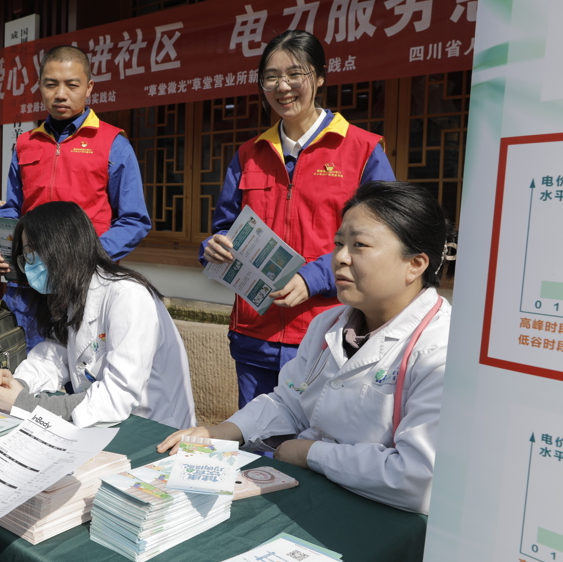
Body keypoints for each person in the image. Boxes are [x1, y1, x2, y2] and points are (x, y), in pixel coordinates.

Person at [161, 181, 455, 514]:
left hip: (381, 518)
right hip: (317, 496)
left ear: (415, 264)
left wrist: (310, 453)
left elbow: (418, 478)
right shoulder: (328, 325)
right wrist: (223, 431)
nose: (340, 258)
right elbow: (290, 401)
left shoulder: (441, 349)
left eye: (359, 245)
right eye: (339, 243)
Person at [202, 29, 396, 409]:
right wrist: (214, 247)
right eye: (271, 77)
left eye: (296, 74)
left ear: (320, 77)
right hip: (254, 333)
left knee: (315, 451)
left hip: (329, 332)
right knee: (256, 449)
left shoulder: (361, 149)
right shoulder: (248, 154)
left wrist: (312, 277)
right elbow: (224, 226)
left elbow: (384, 236)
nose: (283, 86)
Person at [0, 45, 151, 349]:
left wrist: (87, 256)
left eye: (72, 85)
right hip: (28, 286)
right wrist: (1, 248)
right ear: (40, 88)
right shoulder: (25, 144)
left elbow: (134, 221)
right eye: (51, 84)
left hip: (85, 287)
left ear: (89, 88)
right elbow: (11, 209)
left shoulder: (112, 144)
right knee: (25, 379)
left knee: (80, 381)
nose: (60, 94)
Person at [0, 201, 195, 429]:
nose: (30, 265)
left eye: (33, 253)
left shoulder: (127, 296)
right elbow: (53, 355)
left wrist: (24, 403)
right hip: (107, 427)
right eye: (25, 257)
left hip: (154, 429)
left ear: (62, 247)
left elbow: (116, 397)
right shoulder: (72, 293)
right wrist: (18, 383)